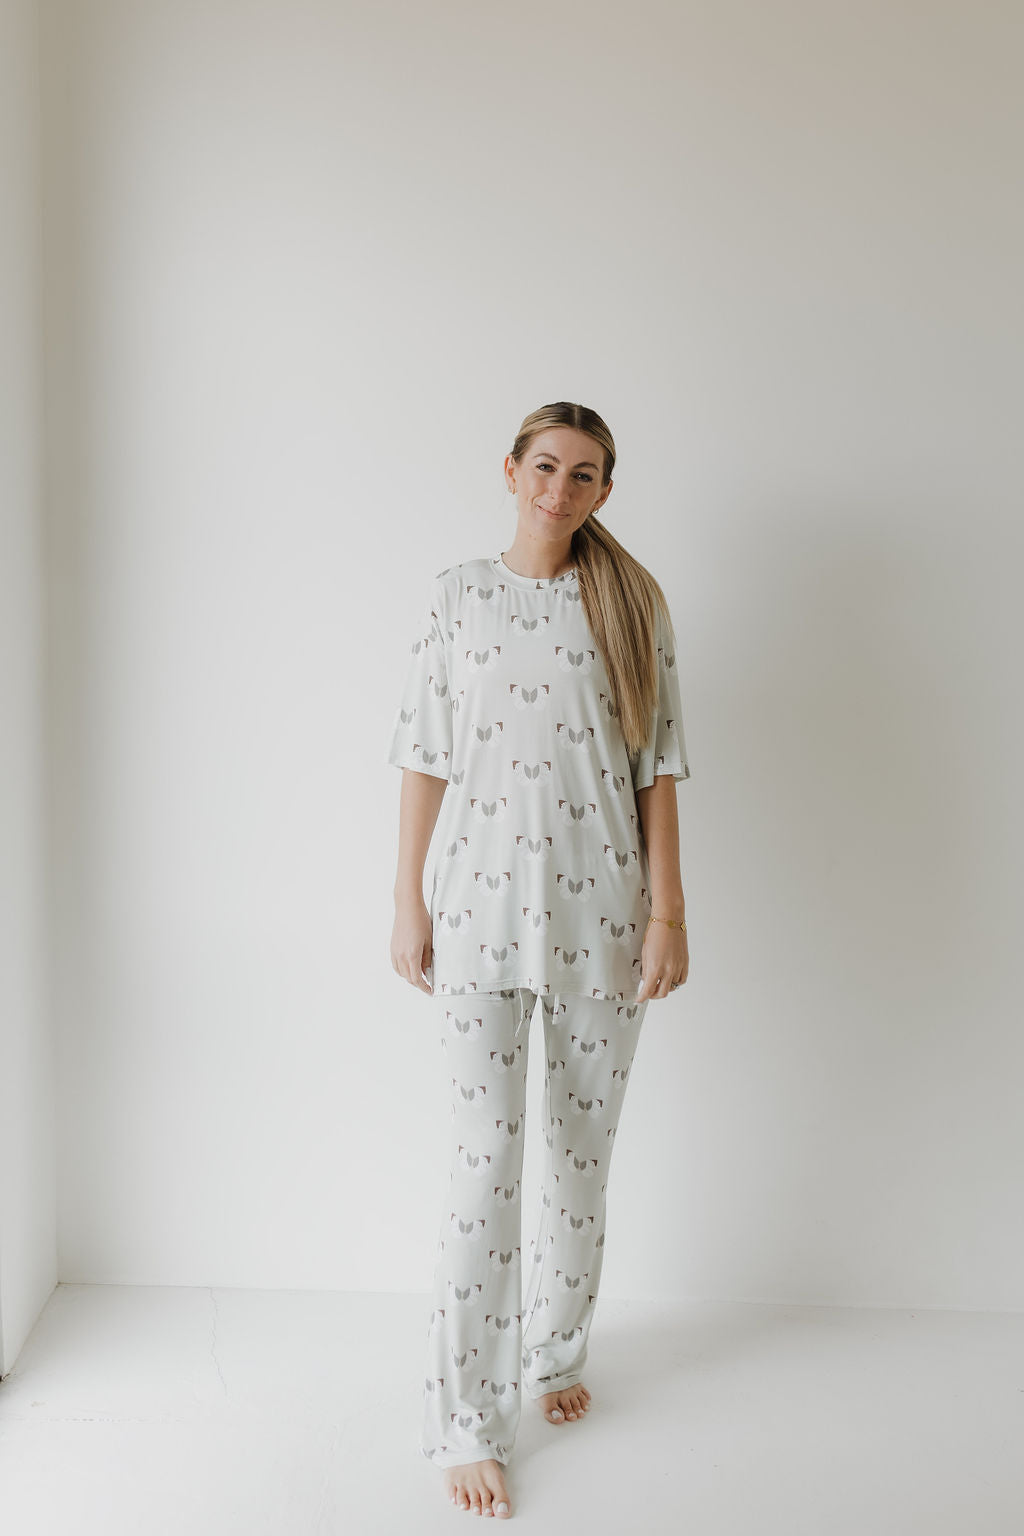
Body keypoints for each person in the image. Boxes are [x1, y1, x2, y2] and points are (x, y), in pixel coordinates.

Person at [387, 401, 691, 1519]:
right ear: (510, 471)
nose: (561, 488)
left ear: (605, 490)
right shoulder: (457, 596)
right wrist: (407, 898)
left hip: (605, 920)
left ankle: (554, 1354)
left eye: (586, 474)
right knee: (484, 1171)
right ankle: (466, 1415)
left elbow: (658, 765)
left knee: (577, 1158)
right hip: (471, 915)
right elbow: (422, 750)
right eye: (545, 467)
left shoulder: (632, 604)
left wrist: (667, 911)